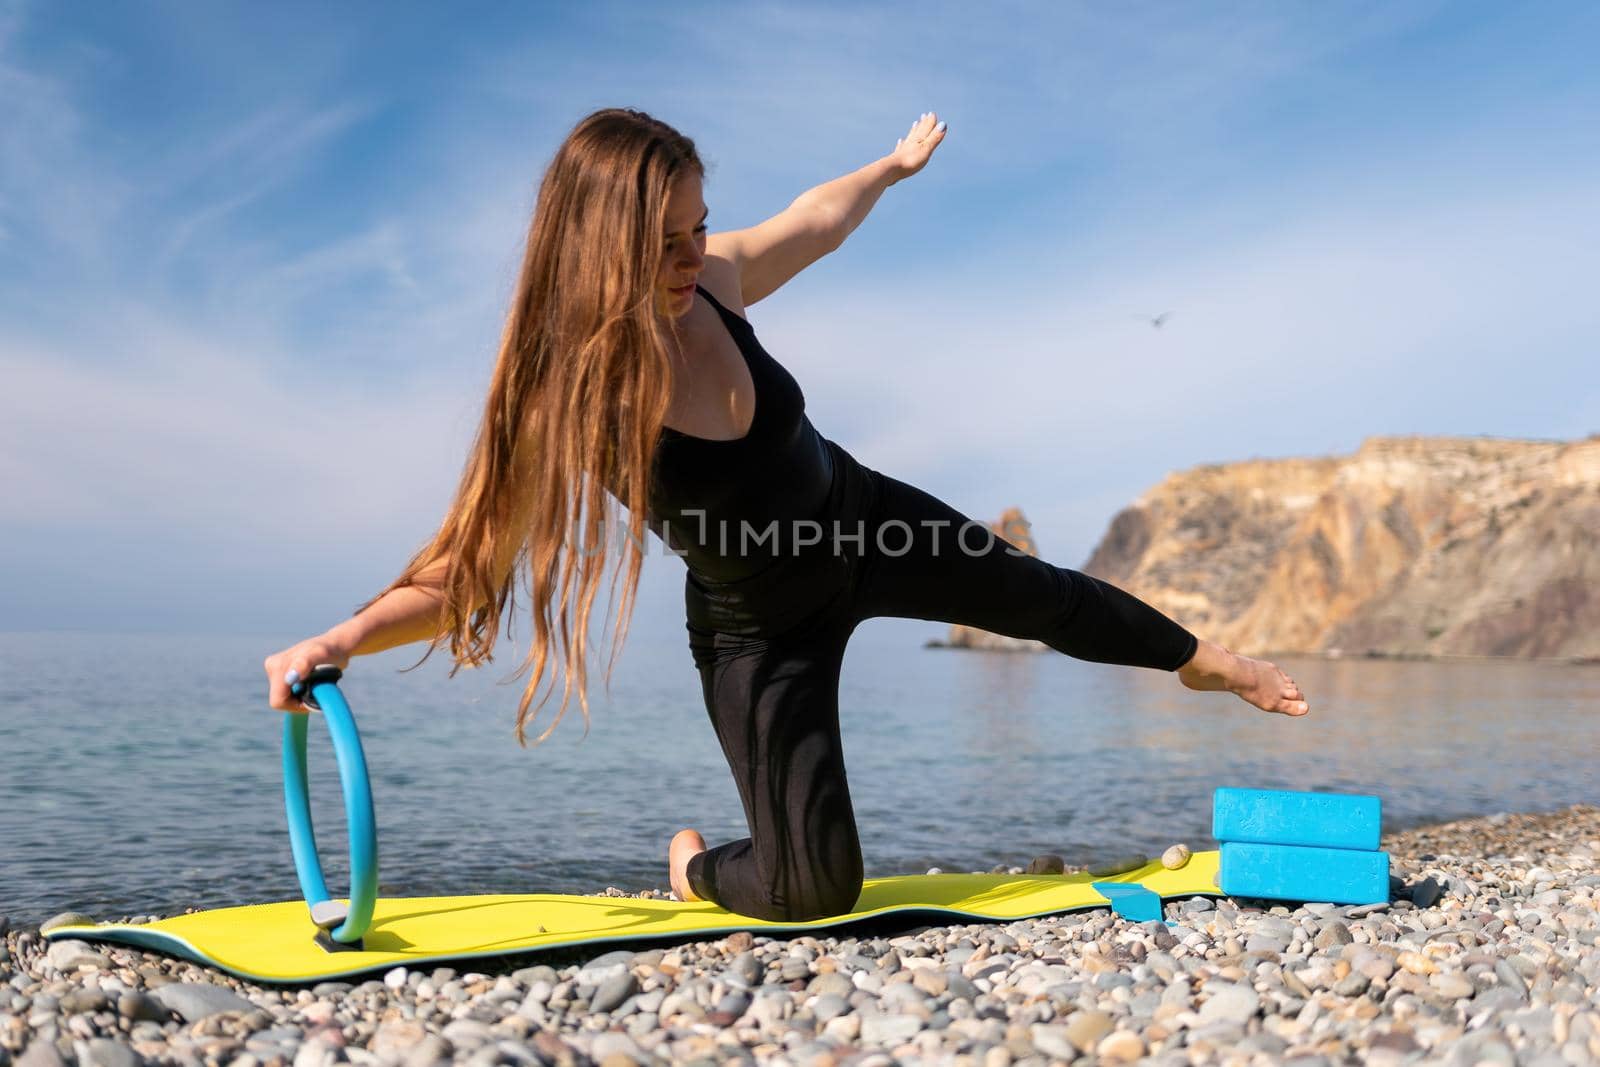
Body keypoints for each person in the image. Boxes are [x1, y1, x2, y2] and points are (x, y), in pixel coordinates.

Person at [264, 107, 1310, 923]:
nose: (691, 254)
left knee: (1040, 596)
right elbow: (468, 573)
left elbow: (815, 219)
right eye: (663, 241)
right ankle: (693, 865)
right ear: (596, 247)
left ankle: (1202, 659)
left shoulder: (713, 282)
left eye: (697, 226)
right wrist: (343, 636)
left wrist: (888, 172)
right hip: (758, 627)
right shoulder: (573, 399)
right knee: (813, 887)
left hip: (863, 520)